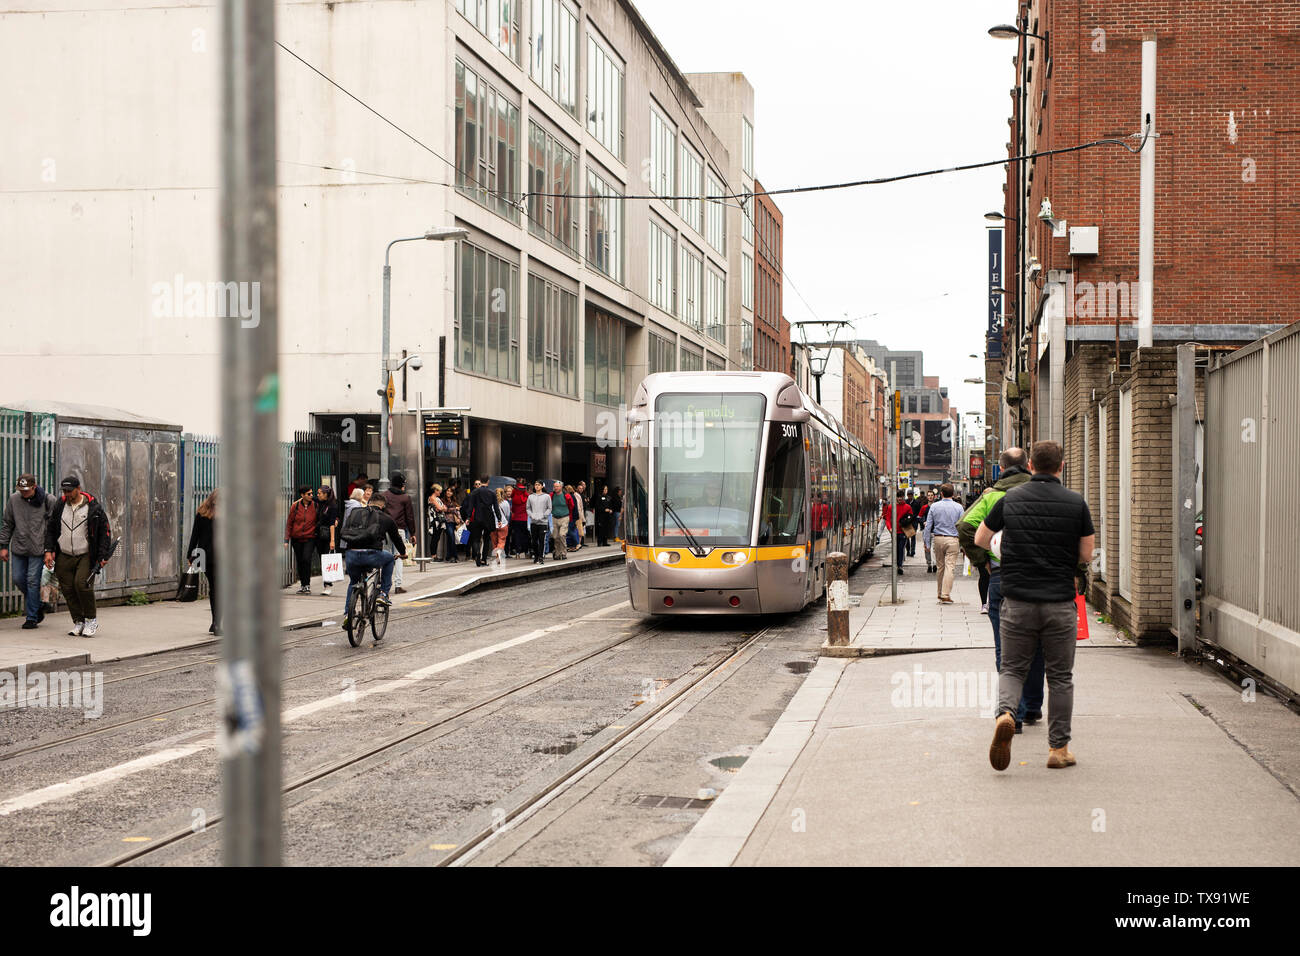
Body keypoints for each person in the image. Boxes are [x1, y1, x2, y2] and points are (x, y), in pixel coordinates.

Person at [976, 440, 1094, 772]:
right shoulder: (1076, 503)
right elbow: (1086, 555)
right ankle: (1058, 749)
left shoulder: (1009, 499)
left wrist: (1004, 556)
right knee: (1059, 677)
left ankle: (1006, 715)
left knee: (1012, 668)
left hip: (1017, 601)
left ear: (1030, 467)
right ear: (1061, 466)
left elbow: (981, 539)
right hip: (1059, 602)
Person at [960, 448, 1040, 731]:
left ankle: (1011, 713)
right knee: (1037, 643)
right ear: (1027, 465)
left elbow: (966, 526)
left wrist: (984, 562)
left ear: (1001, 467)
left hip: (1002, 576)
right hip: (1039, 578)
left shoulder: (991, 496)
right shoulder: (1040, 491)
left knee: (1005, 646)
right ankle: (1033, 706)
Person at [43, 475, 112, 638]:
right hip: (64, 554)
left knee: (82, 585)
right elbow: (51, 529)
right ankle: (78, 621)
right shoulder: (60, 505)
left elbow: (105, 532)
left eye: (69, 491)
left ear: (78, 489)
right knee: (67, 588)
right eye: (64, 491)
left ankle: (91, 620)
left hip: (86, 554)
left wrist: (102, 555)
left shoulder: (93, 507)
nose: (66, 494)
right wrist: (48, 550)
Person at [339, 496, 407, 636]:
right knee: (389, 560)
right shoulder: (386, 518)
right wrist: (403, 553)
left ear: (369, 503)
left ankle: (347, 615)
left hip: (351, 556)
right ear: (383, 506)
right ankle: (383, 593)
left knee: (353, 583)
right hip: (372, 555)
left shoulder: (356, 514)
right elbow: (396, 538)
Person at [1, 474, 55, 629]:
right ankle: (38, 604)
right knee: (18, 579)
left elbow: (53, 527)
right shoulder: (14, 500)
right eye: (21, 490)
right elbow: (7, 523)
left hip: (39, 548)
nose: (23, 493)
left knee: (32, 581)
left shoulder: (48, 500)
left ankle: (32, 617)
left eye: (26, 490)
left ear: (34, 486)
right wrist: (3, 546)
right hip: (19, 547)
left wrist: (50, 550)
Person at [185, 490, 221, 634]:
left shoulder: (202, 512)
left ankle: (215, 623)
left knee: (215, 588)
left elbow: (195, 535)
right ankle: (216, 623)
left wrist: (190, 555)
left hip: (205, 557)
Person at [922, 484, 965, 604]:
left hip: (938, 539)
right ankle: (946, 594)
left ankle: (940, 593)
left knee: (940, 567)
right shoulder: (959, 507)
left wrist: (927, 543)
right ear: (953, 494)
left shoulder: (934, 507)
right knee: (950, 567)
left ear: (941, 494)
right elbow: (962, 526)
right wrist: (964, 544)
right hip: (953, 539)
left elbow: (928, 526)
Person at [382, 473, 416, 593]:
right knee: (399, 556)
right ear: (402, 485)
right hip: (399, 530)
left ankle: (383, 584)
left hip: (385, 529)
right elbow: (409, 517)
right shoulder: (405, 498)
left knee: (385, 555)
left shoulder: (384, 495)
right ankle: (398, 585)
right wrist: (413, 533)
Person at [284, 485, 318, 594]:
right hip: (296, 538)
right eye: (309, 494)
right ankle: (303, 585)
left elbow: (327, 512)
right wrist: (286, 539)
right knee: (300, 561)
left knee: (306, 559)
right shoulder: (296, 506)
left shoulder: (315, 505)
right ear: (302, 495)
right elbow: (289, 523)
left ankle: (307, 585)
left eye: (312, 493)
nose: (311, 496)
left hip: (310, 537)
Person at [465, 475, 497, 568]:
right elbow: (495, 507)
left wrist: (468, 517)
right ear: (488, 481)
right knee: (486, 539)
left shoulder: (474, 492)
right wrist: (498, 519)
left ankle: (477, 555)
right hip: (488, 518)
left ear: (481, 481)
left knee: (476, 539)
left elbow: (470, 507)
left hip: (477, 518)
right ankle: (484, 559)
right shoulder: (491, 493)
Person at [314, 486, 340, 596]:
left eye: (320, 493)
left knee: (327, 560)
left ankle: (328, 585)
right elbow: (309, 498)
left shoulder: (332, 506)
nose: (317, 495)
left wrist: (332, 540)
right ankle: (326, 584)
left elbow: (332, 524)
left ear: (326, 494)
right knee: (322, 559)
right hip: (319, 535)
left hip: (328, 536)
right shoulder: (320, 503)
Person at [881, 491, 913, 574]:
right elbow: (887, 519)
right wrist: (890, 528)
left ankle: (900, 566)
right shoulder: (891, 507)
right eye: (898, 497)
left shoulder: (908, 507)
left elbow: (911, 518)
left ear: (903, 497)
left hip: (903, 532)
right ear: (896, 497)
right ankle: (897, 564)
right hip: (894, 532)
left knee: (901, 548)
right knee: (896, 549)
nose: (900, 498)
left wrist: (908, 521)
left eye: (901, 497)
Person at [527, 480, 552, 565]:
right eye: (535, 485)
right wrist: (531, 515)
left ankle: (541, 557)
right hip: (533, 522)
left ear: (542, 486)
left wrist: (544, 515)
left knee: (542, 540)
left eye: (538, 485)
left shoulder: (547, 496)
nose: (537, 486)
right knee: (534, 541)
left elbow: (549, 508)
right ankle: (536, 556)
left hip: (543, 522)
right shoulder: (530, 497)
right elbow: (528, 508)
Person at [489, 487, 511, 569]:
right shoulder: (506, 503)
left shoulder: (491, 503)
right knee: (501, 541)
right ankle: (499, 553)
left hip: (493, 525)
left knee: (494, 542)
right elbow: (508, 514)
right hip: (503, 524)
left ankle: (496, 555)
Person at [508, 479, 530, 558]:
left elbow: (513, 510)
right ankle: (526, 552)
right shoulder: (526, 497)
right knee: (525, 536)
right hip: (525, 519)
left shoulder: (514, 498)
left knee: (517, 536)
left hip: (516, 519)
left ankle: (517, 553)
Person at [550, 480, 571, 560]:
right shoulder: (551, 495)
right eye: (554, 486)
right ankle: (557, 553)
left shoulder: (567, 496)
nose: (556, 488)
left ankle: (563, 552)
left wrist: (570, 517)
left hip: (564, 517)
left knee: (562, 534)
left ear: (561, 487)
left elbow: (571, 506)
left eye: (557, 486)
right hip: (554, 517)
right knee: (555, 536)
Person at [442, 483, 462, 563]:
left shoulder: (454, 501)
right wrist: (454, 509)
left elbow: (457, 511)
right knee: (451, 537)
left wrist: (460, 520)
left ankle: (448, 556)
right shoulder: (443, 500)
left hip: (455, 522)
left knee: (453, 538)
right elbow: (445, 510)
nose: (448, 493)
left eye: (450, 491)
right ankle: (454, 556)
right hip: (447, 521)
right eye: (447, 491)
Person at [428, 483, 448, 560]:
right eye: (439, 491)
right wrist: (441, 508)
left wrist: (441, 508)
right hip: (435, 520)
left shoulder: (437, 498)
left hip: (439, 520)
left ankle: (435, 555)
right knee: (435, 538)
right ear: (435, 490)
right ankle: (433, 555)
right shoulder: (432, 498)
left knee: (437, 537)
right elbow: (440, 508)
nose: (440, 492)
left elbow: (444, 508)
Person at [917, 491, 934, 573]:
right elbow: (919, 517)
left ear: (934, 496)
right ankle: (929, 564)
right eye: (929, 495)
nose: (930, 497)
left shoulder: (936, 506)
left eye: (931, 495)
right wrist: (923, 521)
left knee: (934, 549)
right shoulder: (924, 507)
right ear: (927, 497)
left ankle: (934, 564)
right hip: (926, 531)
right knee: (927, 548)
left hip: (935, 531)